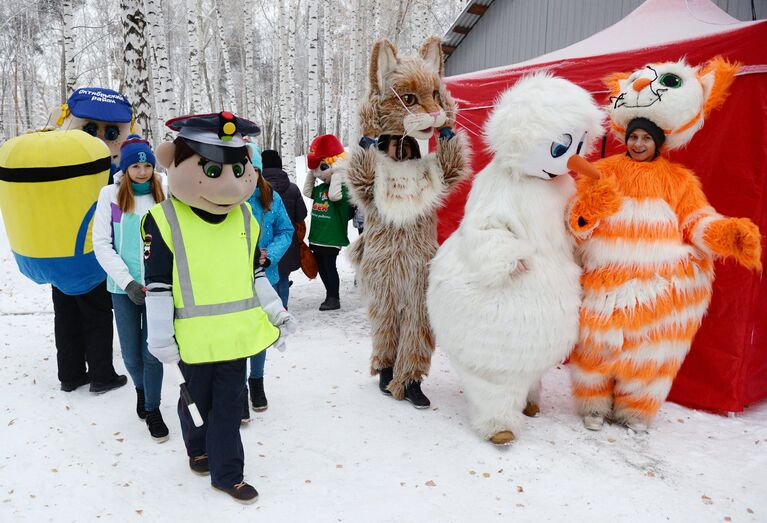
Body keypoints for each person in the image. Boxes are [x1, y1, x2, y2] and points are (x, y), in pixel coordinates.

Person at [568, 58, 762, 433]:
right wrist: (589, 208)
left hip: (655, 285)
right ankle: (592, 404)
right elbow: (574, 223)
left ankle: (635, 408)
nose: (638, 144)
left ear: (658, 141)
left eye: (646, 138)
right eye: (634, 137)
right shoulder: (603, 170)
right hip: (606, 280)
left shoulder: (678, 180)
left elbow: (696, 220)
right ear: (626, 137)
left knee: (648, 348)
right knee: (597, 343)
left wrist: (724, 233)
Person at [143, 112, 297, 504]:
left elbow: (255, 274)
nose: (231, 183)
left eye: (238, 168)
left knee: (229, 406)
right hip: (191, 339)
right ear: (173, 161)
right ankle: (198, 447)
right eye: (213, 169)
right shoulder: (161, 220)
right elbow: (158, 285)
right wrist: (160, 336)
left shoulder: (246, 215)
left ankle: (229, 473)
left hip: (234, 338)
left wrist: (276, 312)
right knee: (194, 399)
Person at [93, 134, 169, 442]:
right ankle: (141, 389)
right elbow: (101, 243)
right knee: (131, 355)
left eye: (146, 165)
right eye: (135, 166)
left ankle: (153, 408)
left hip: (158, 287)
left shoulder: (164, 194)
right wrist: (127, 281)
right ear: (125, 168)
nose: (141, 171)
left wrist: (159, 280)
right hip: (122, 288)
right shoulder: (109, 196)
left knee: (153, 351)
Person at [244, 142, 294, 415]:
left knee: (261, 331)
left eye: (254, 169)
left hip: (267, 276)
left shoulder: (270, 197)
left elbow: (285, 230)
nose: (250, 175)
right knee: (240, 333)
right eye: (245, 169)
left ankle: (257, 381)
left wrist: (269, 254)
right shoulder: (227, 197)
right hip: (235, 280)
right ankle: (238, 388)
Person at [303, 134, 350, 311]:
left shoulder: (343, 189)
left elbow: (334, 196)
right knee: (321, 266)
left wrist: (338, 172)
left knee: (329, 266)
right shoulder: (321, 187)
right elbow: (307, 192)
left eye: (322, 167)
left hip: (332, 237)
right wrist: (312, 171)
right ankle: (328, 294)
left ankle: (334, 297)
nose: (319, 172)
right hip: (317, 236)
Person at [260, 149, 308, 307]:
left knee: (263, 280)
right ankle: (284, 308)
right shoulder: (292, 188)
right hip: (288, 242)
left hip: (263, 244)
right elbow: (302, 213)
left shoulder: (253, 190)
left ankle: (270, 310)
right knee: (283, 277)